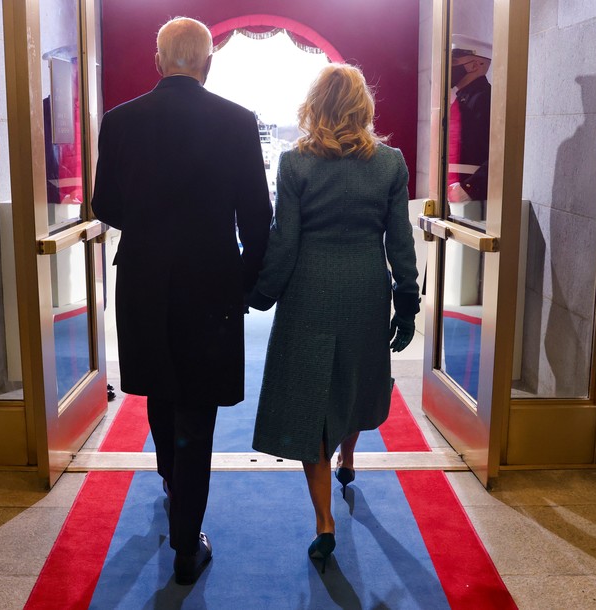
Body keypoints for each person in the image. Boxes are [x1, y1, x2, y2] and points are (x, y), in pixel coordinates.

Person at [91, 17, 272, 586]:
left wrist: (148, 232)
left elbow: (103, 204)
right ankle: (187, 543)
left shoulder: (119, 122)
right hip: (210, 286)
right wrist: (239, 282)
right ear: (207, 62)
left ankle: (171, 480)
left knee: (159, 387)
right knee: (197, 406)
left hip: (142, 282)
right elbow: (258, 220)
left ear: (158, 60)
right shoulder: (238, 122)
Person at [248, 63, 420, 572]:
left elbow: (285, 241)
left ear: (314, 106)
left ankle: (324, 520)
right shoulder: (390, 163)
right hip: (366, 290)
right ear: (363, 106)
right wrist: (406, 300)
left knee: (311, 401)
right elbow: (400, 241)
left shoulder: (295, 163)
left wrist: (259, 294)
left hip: (309, 294)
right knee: (354, 380)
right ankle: (349, 458)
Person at [447, 35, 492, 205]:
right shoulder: (463, 99)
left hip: (474, 200)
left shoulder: (486, 98)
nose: (450, 67)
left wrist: (470, 188)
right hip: (455, 193)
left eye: (455, 61)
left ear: (476, 65)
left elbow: (501, 152)